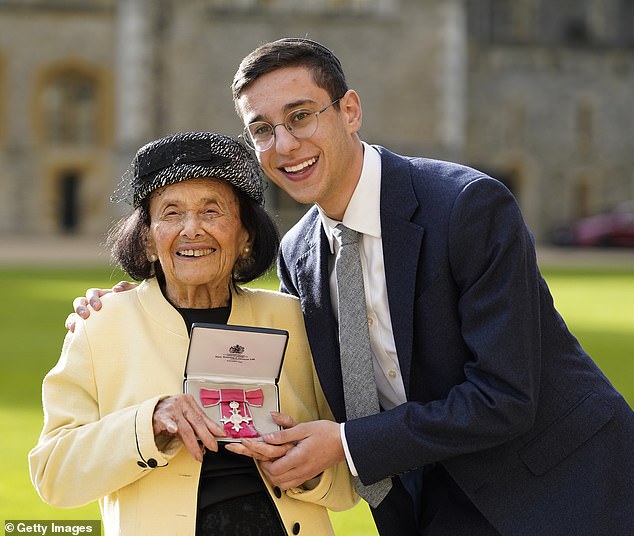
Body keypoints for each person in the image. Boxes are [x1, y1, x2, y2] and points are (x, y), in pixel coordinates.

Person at [67, 39, 634, 536]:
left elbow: (505, 397)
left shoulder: (466, 206)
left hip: (564, 486)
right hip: (434, 499)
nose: (284, 144)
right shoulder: (298, 254)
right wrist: (127, 303)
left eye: (301, 116)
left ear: (350, 110)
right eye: (262, 129)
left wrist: (343, 443)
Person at [29, 131, 356, 536]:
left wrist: (302, 467)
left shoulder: (294, 320)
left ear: (245, 238)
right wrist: (148, 422)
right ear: (148, 241)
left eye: (212, 211)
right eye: (170, 213)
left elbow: (347, 484)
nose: (191, 230)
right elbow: (53, 475)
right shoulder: (102, 324)